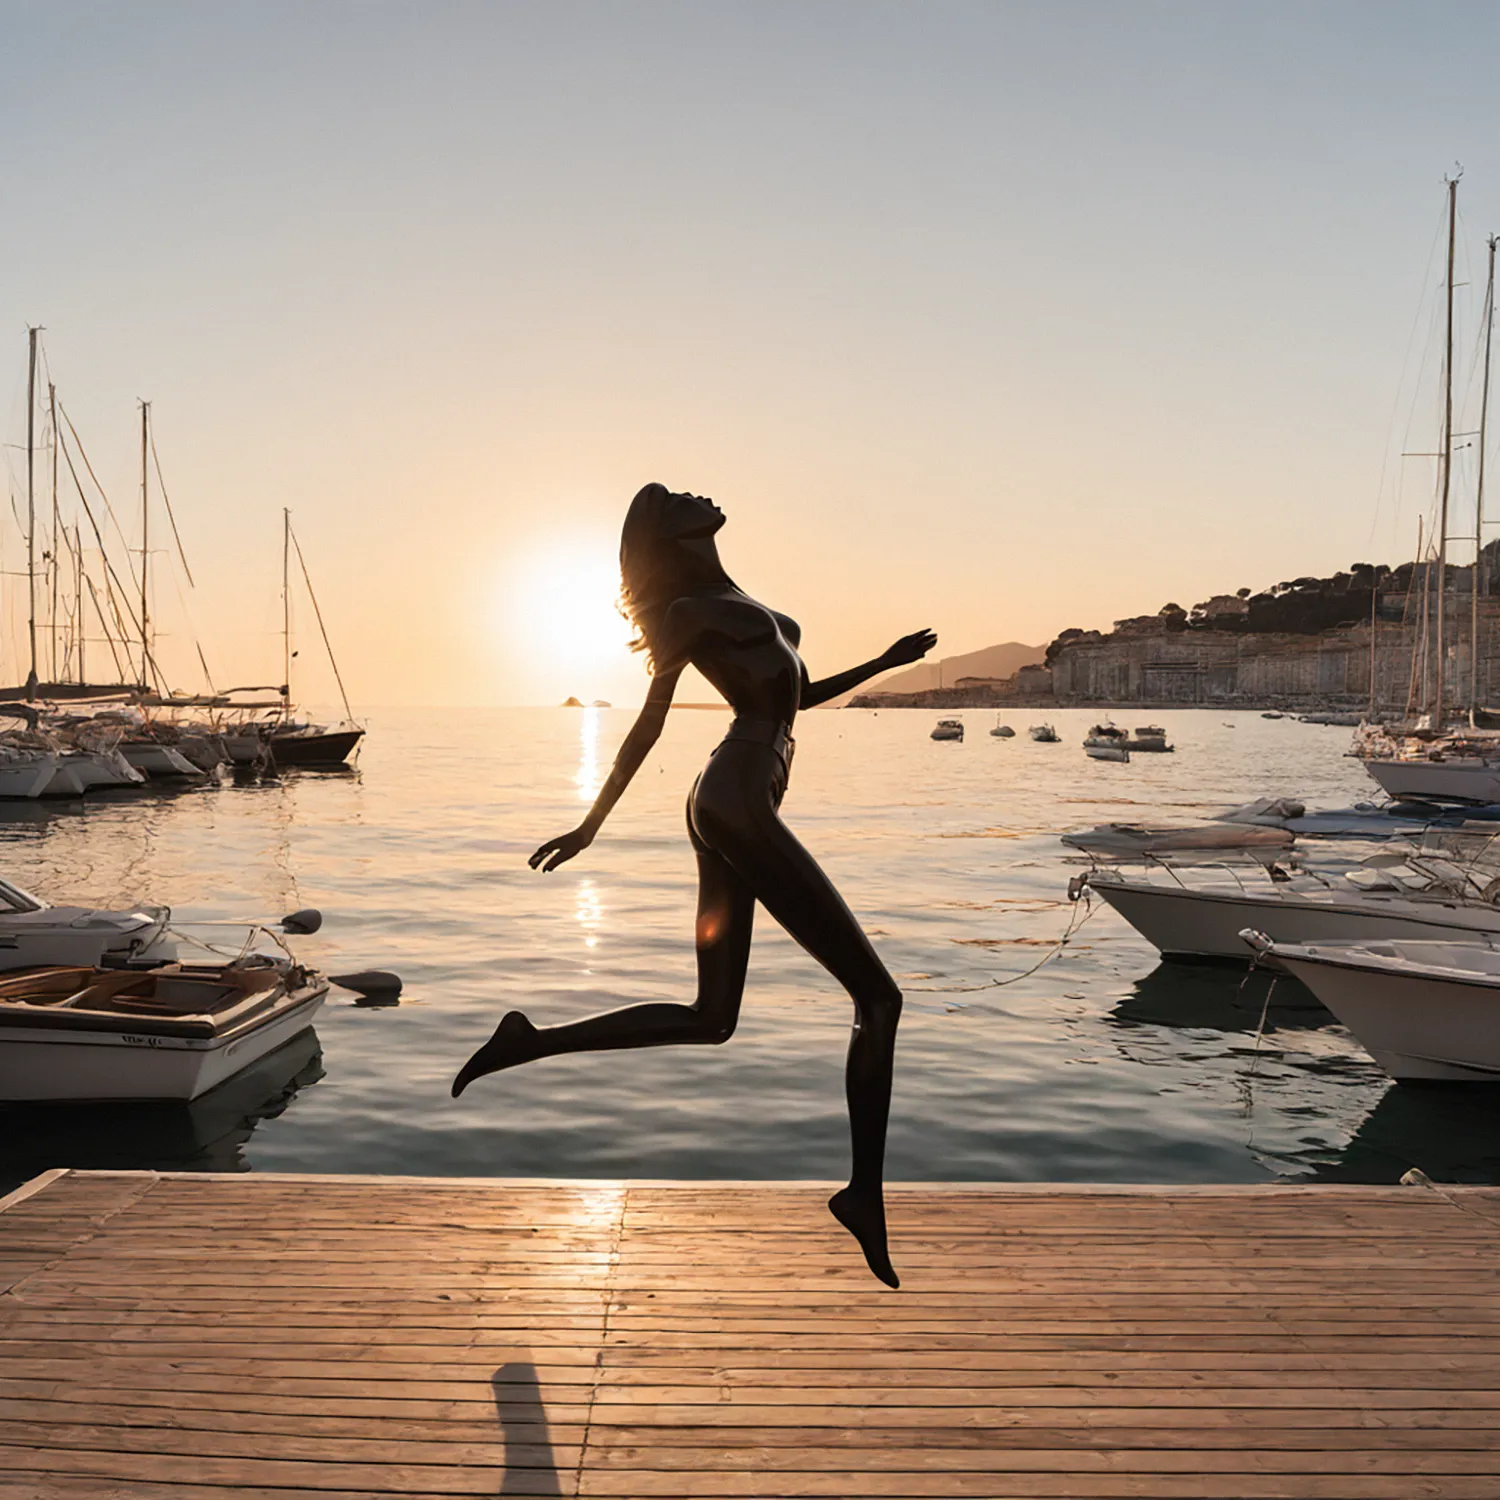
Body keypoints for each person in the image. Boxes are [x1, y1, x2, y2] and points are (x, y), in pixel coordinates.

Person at [452, 483, 935, 1286]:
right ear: (668, 533)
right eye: (675, 495)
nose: (695, 491)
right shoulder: (685, 616)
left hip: (744, 789)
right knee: (878, 999)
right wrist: (591, 824)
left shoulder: (745, 603)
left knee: (712, 1019)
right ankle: (864, 1195)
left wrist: (885, 662)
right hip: (735, 797)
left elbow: (794, 701)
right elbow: (649, 722)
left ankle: (528, 1042)